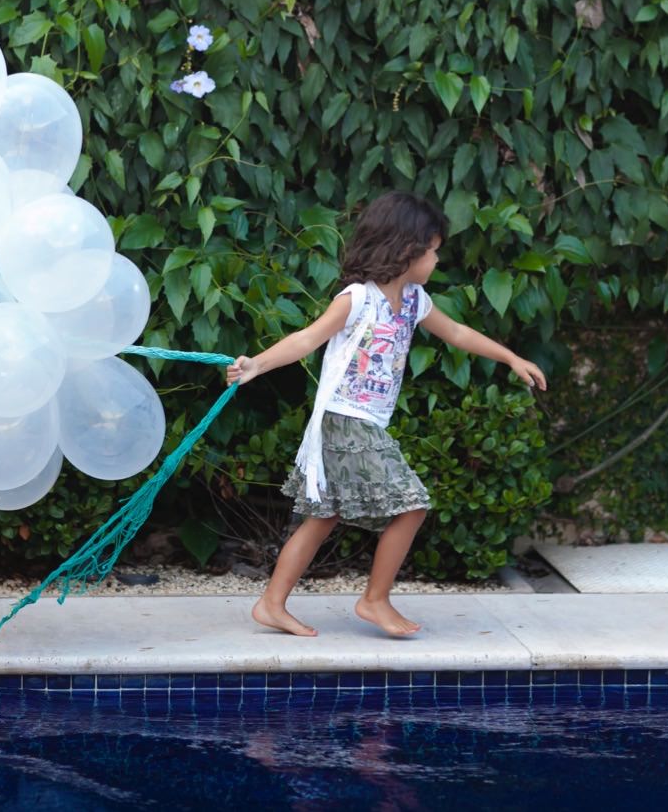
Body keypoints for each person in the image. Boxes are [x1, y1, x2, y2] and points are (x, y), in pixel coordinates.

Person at [226, 192, 547, 638]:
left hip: (367, 421)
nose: (437, 259)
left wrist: (510, 357)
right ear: (406, 249)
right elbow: (307, 339)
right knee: (411, 505)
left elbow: (456, 331)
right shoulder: (358, 298)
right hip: (345, 419)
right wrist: (256, 365)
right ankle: (374, 600)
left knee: (323, 515)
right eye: (433, 250)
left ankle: (270, 604)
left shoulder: (415, 300)